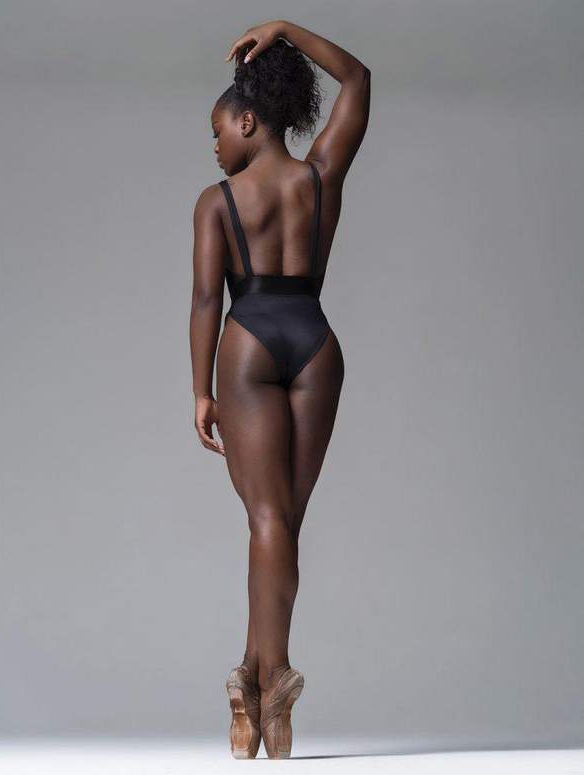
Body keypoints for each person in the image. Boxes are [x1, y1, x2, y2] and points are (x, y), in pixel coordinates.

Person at [189, 19, 370, 758]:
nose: (214, 146)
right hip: (317, 344)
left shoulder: (218, 200)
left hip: (251, 343)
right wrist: (289, 31)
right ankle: (259, 682)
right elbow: (357, 79)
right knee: (284, 522)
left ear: (247, 120)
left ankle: (263, 681)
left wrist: (200, 390)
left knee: (268, 519)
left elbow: (208, 299)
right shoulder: (320, 178)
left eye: (217, 131)